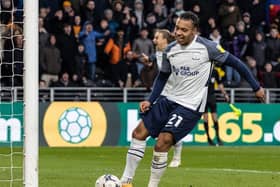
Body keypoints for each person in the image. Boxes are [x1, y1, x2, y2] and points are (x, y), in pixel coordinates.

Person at [120, 11, 265, 187]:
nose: (178, 33)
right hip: (169, 100)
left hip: (190, 105)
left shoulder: (208, 47)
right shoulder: (170, 50)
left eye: (184, 30)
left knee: (162, 143)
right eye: (177, 28)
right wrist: (150, 100)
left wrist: (256, 87)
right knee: (138, 134)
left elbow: (237, 63)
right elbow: (163, 77)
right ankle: (125, 182)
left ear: (194, 31)